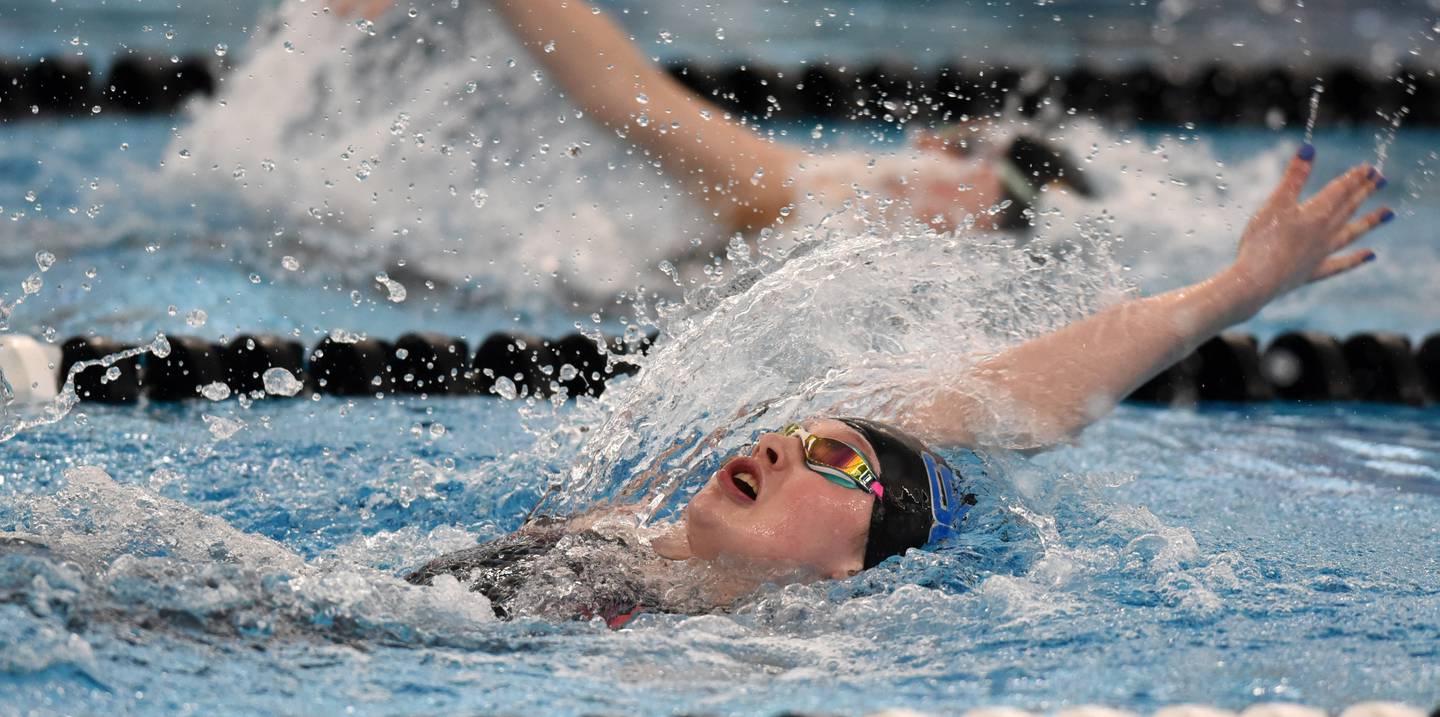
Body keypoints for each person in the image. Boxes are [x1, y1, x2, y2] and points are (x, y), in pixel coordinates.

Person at [404, 145, 1394, 625]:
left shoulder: (764, 655)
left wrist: (1237, 292)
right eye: (799, 435)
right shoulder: (609, 531)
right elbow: (1000, 401)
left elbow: (1015, 405)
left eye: (833, 457)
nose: (787, 445)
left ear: (854, 563)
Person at [331, 0, 1094, 241]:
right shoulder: (785, 188)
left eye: (1006, 207)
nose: (983, 205)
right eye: (981, 176)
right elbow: (618, 93)